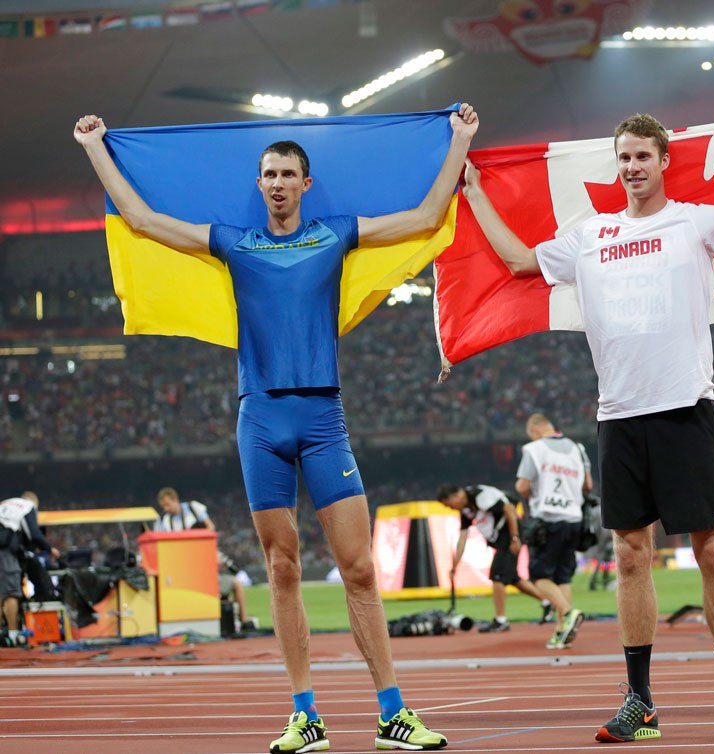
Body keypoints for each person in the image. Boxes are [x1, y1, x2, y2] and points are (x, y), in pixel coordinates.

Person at [74, 105, 477, 753]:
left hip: (322, 419)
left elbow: (427, 218)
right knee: (281, 568)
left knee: (360, 570)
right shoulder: (235, 242)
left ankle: (393, 714)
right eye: (270, 174)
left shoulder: (334, 234)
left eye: (289, 172)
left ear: (306, 184)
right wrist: (96, 148)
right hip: (259, 418)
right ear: (259, 185)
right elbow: (145, 221)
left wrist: (459, 140)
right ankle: (304, 715)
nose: (280, 182)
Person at [465, 107, 714, 742]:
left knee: (711, 553)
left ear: (664, 162)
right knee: (630, 554)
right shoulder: (590, 235)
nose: (633, 166)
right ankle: (640, 702)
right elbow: (516, 261)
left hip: (684, 409)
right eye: (624, 157)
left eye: (643, 155)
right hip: (618, 415)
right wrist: (475, 191)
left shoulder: (696, 222)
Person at [515, 413, 593, 649]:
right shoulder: (578, 449)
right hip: (574, 519)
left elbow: (523, 486)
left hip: (547, 519)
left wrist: (531, 494)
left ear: (534, 431)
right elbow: (587, 485)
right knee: (562, 576)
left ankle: (568, 613)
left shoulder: (533, 449)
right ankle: (562, 630)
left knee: (539, 577)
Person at [436, 484, 549, 634]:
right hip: (502, 537)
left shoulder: (480, 496)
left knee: (497, 576)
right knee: (513, 579)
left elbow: (509, 509)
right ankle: (548, 602)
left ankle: (500, 620)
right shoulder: (465, 509)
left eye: (449, 505)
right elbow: (462, 539)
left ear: (456, 496)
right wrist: (455, 566)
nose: (451, 508)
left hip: (509, 533)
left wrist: (515, 537)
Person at [153, 487, 254, 630]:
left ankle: (244, 622)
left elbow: (210, 528)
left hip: (204, 564)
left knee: (237, 584)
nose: (166, 508)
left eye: (167, 504)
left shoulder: (194, 508)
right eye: (163, 506)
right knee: (233, 584)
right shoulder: (164, 521)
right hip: (182, 570)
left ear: (175, 499)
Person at [0, 492, 59, 648]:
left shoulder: (5, 503)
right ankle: (13, 634)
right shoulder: (27, 506)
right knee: (10, 593)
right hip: (4, 551)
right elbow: (34, 534)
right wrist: (49, 549)